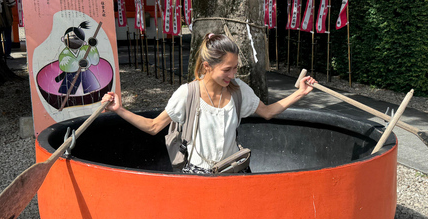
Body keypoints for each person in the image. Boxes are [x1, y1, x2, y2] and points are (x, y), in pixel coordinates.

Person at [101, 33, 316, 174]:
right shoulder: (187, 94)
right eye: (227, 69)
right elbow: (153, 126)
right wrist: (119, 109)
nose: (233, 74)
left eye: (235, 68)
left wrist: (300, 93)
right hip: (198, 176)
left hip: (234, 173)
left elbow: (268, 112)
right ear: (207, 66)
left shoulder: (239, 90)